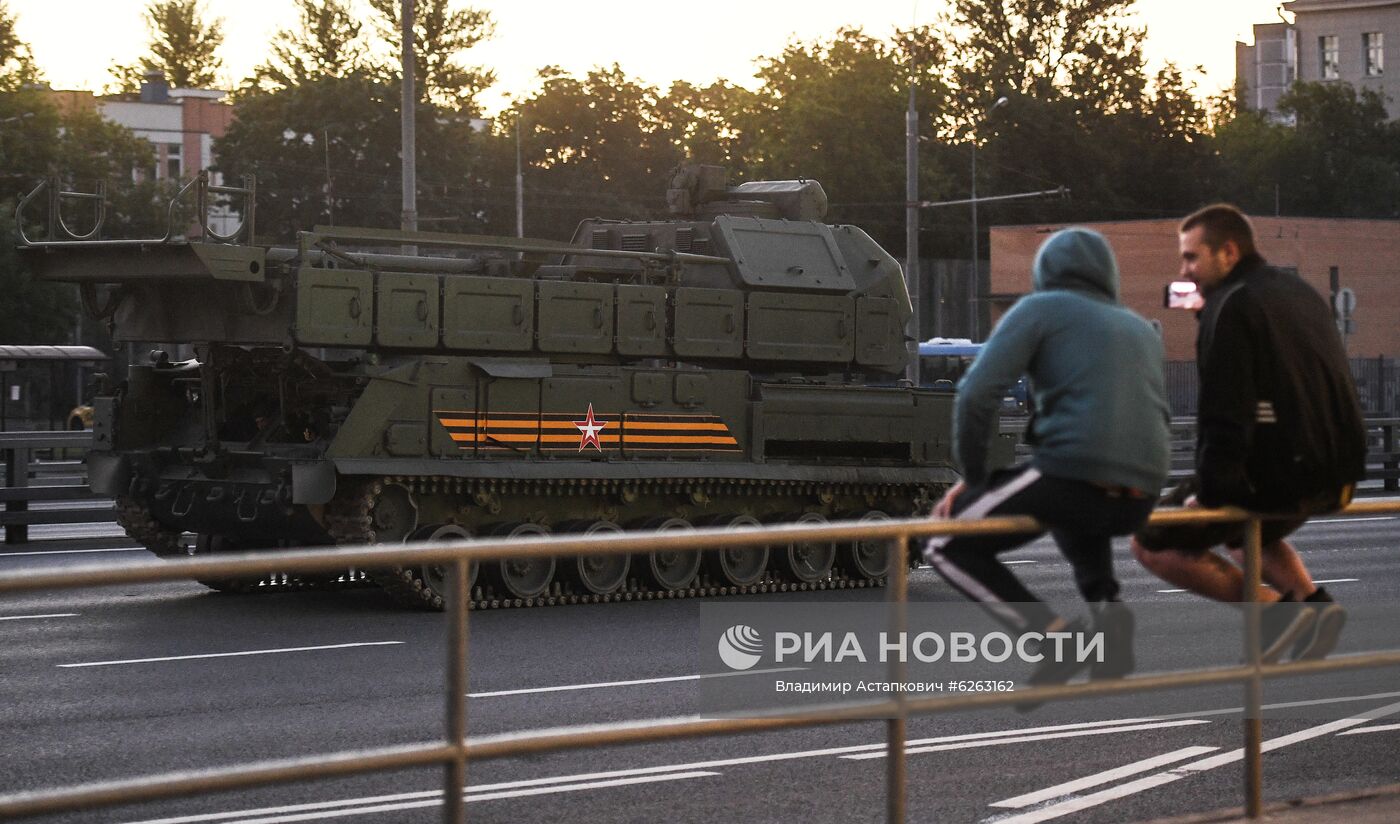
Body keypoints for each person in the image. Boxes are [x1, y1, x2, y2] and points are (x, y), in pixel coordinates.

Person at [924, 227, 1171, 687]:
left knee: (943, 545)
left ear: (1045, 272)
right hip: (1142, 494)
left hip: (1073, 475)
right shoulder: (1138, 326)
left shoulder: (1040, 309)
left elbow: (976, 395)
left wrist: (975, 480)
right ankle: (1110, 626)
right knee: (1078, 509)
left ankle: (1052, 640)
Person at [1132, 204, 1365, 663]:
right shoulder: (1296, 290)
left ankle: (1282, 614)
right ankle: (1315, 607)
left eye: (1193, 258)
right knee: (1244, 533)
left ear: (1229, 251)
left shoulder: (1232, 306)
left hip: (1280, 476)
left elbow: (1225, 412)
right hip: (1338, 471)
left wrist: (1214, 493)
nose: (1185, 271)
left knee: (1152, 539)